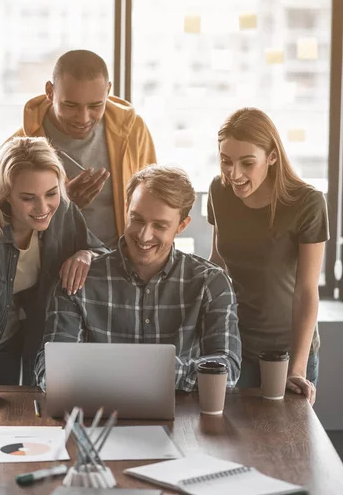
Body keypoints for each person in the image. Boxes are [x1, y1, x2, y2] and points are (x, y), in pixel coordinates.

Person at [35, 165, 241, 390]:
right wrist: (152, 371)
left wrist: (145, 369)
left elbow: (227, 370)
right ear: (126, 210)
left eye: (160, 226)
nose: (144, 235)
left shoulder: (211, 283)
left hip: (184, 420)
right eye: (137, 219)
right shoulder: (78, 279)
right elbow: (50, 370)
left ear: (182, 226)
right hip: (97, 419)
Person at [0, 137, 107, 409]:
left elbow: (101, 251)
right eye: (28, 198)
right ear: (5, 192)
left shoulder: (63, 210)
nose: (43, 208)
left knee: (21, 407)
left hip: (27, 328)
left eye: (51, 194)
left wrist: (85, 254)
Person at [207, 108, 329, 405]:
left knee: (287, 446)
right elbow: (217, 265)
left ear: (271, 156)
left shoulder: (308, 203)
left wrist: (297, 368)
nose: (234, 174)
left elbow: (306, 292)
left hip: (288, 352)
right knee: (232, 442)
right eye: (226, 161)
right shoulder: (219, 191)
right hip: (236, 344)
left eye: (248, 163)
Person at [12, 49, 157, 248]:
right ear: (50, 92)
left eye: (96, 106)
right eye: (70, 105)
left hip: (121, 266)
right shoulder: (19, 145)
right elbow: (6, 225)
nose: (83, 118)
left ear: (108, 91)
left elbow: (155, 200)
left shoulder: (133, 131)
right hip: (49, 269)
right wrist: (64, 204)